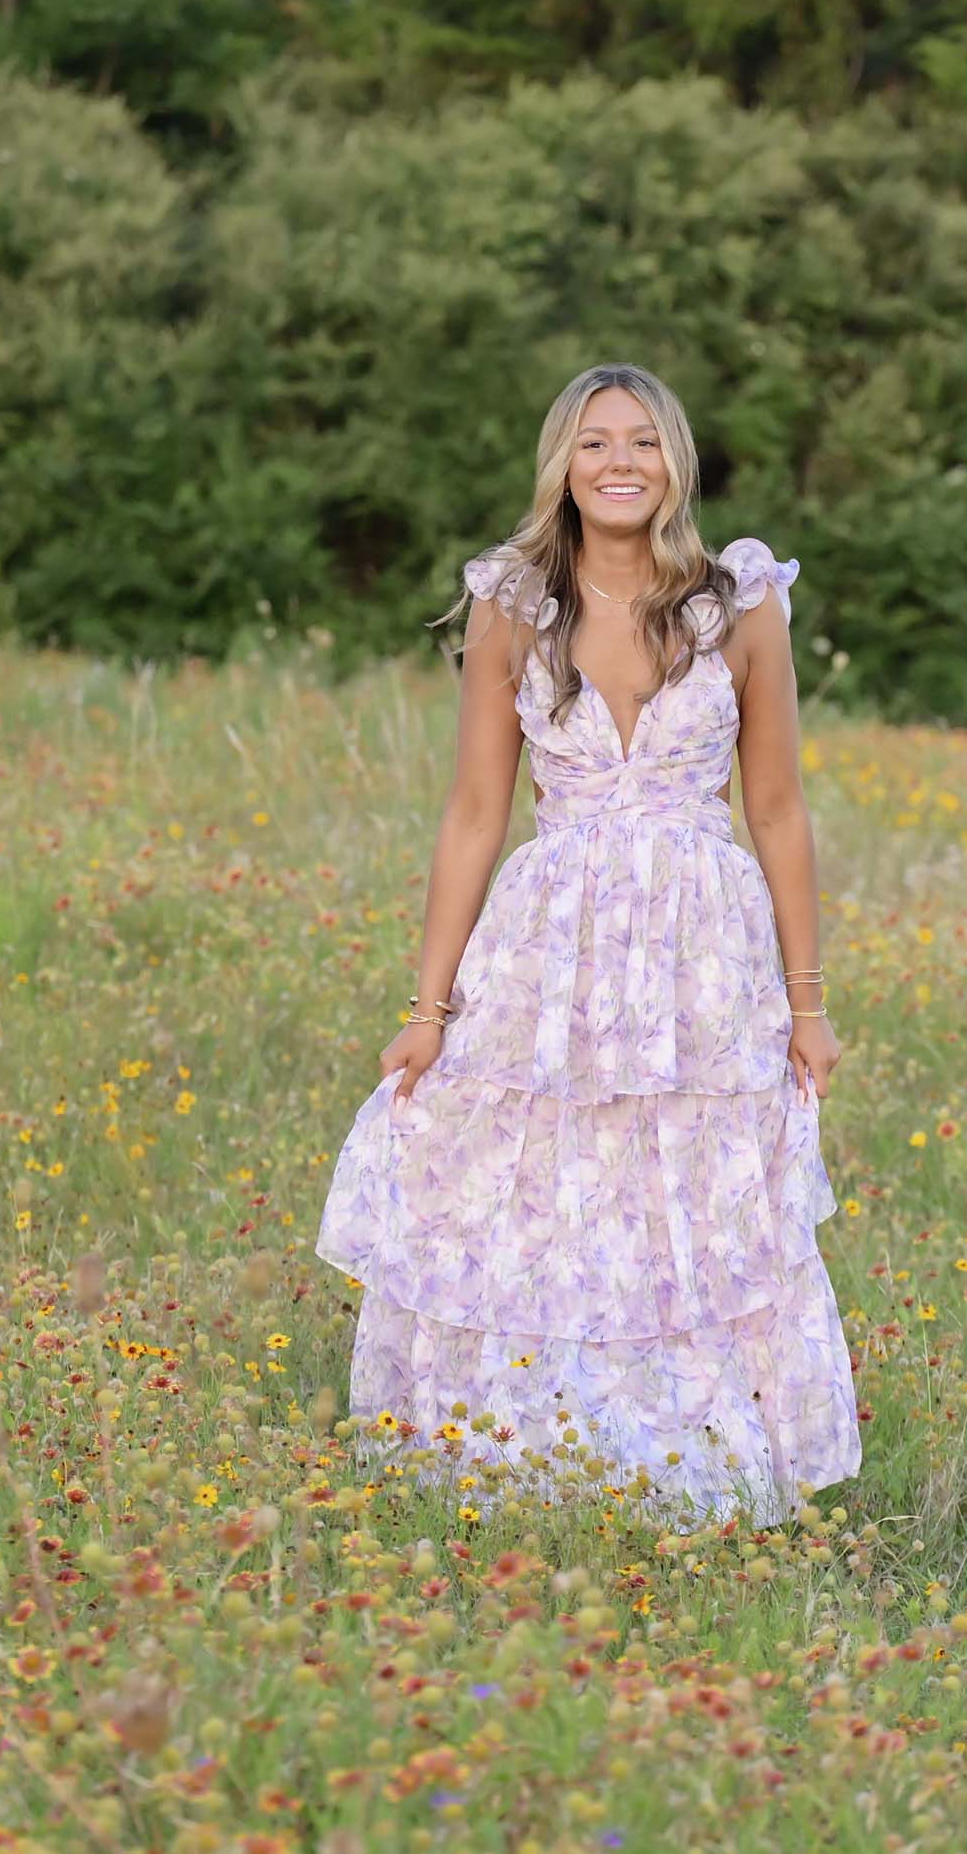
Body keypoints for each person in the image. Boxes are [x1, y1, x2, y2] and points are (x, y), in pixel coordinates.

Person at [314, 361, 861, 1530]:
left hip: (699, 949)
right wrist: (429, 1008)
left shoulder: (740, 603)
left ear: (676, 463)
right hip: (547, 945)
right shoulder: (516, 607)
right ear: (562, 465)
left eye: (644, 443)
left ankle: (693, 1455)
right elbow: (473, 812)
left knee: (689, 1186)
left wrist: (806, 1004)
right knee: (536, 1182)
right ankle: (524, 1449)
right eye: (596, 443)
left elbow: (776, 811)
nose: (620, 463)